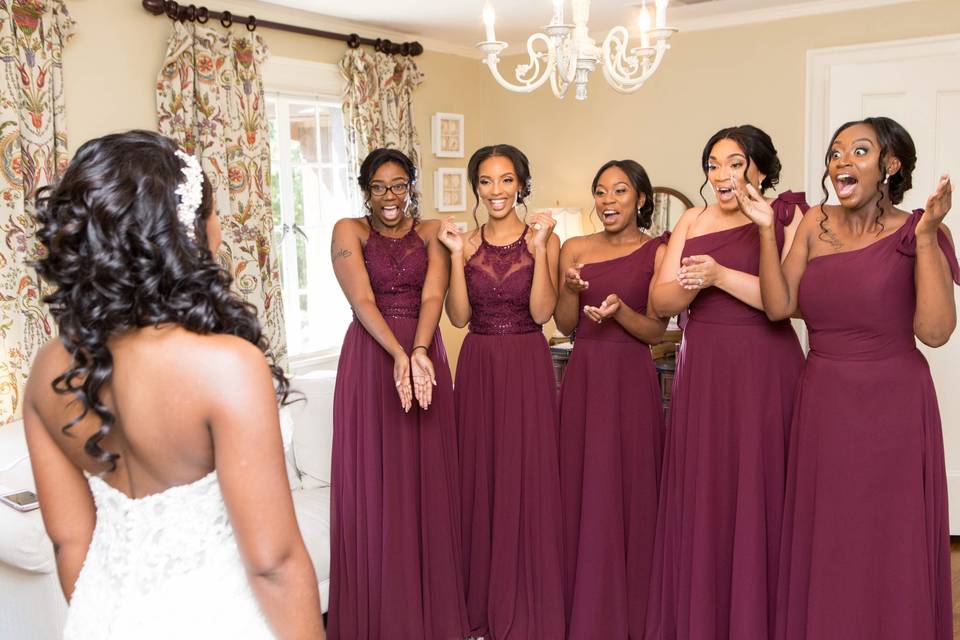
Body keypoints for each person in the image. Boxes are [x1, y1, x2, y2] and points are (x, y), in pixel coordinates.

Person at [24, 130, 325, 639]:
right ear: (183, 230)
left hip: (103, 617)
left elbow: (69, 541)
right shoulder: (226, 365)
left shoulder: (46, 368)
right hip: (215, 615)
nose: (219, 225)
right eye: (212, 211)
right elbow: (272, 560)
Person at [736, 116, 956, 640]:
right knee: (832, 534)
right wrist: (767, 230)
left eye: (859, 151)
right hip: (825, 400)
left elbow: (936, 331)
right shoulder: (814, 223)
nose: (842, 161)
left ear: (890, 166)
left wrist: (925, 240)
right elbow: (778, 306)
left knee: (889, 532)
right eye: (836, 152)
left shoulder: (920, 229)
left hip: (895, 404)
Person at [646, 125, 807, 640]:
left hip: (767, 366)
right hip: (707, 369)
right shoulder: (692, 219)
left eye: (735, 163)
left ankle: (765, 619)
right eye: (713, 164)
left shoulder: (788, 217)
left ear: (760, 169)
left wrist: (717, 277)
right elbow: (660, 303)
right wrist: (690, 287)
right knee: (709, 490)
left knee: (764, 485)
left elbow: (785, 303)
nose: (721, 175)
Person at [329, 148, 468, 639]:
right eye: (379, 187)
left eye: (398, 185)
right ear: (365, 190)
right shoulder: (350, 231)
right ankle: (381, 616)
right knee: (376, 481)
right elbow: (362, 299)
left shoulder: (432, 231)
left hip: (425, 355)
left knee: (427, 476)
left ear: (411, 186)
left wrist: (422, 350)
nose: (390, 197)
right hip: (372, 359)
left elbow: (433, 294)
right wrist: (397, 354)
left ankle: (432, 615)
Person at [438, 144, 564, 640]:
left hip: (528, 361)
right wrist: (452, 256)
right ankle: (483, 602)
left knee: (527, 474)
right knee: (481, 477)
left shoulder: (544, 240)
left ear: (521, 185)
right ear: (476, 187)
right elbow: (459, 318)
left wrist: (538, 250)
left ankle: (529, 600)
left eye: (506, 180)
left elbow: (541, 314)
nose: (496, 191)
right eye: (486, 181)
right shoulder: (464, 245)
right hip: (479, 364)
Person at [554, 159, 669, 639]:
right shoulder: (574, 248)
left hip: (631, 376)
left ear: (641, 199)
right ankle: (583, 606)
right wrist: (568, 288)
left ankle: (632, 610)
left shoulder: (657, 251)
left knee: (631, 487)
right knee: (582, 485)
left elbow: (657, 331)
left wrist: (621, 312)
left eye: (620, 191)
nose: (608, 201)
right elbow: (564, 324)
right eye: (601, 192)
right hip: (584, 375)